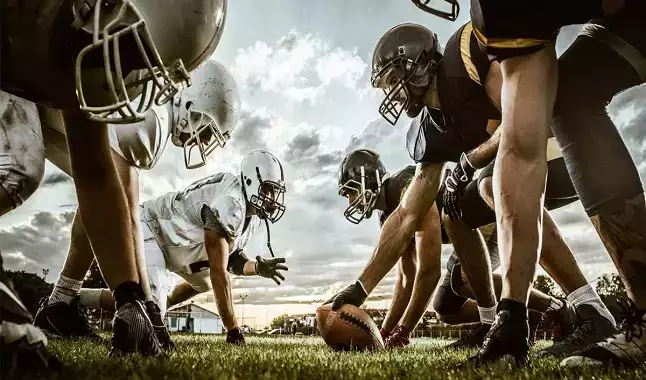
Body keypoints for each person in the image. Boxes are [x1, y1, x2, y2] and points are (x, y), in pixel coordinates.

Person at [327, 18, 630, 362]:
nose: (392, 93)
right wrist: (361, 287)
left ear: (422, 63)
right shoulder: (427, 131)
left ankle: (590, 309)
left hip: (560, 144)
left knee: (489, 181)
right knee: (454, 210)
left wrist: (468, 163)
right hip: (515, 166)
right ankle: (491, 322)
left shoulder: (463, 65)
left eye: (395, 79)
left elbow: (520, 120)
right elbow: (407, 213)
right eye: (386, 85)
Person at [1, 0, 227, 356]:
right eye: (133, 53)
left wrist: (133, 298)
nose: (133, 78)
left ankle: (60, 305)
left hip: (29, 63)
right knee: (17, 170)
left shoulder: (83, 42)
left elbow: (95, 175)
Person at [34, 60, 241, 350]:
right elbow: (124, 211)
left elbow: (111, 203)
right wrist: (139, 302)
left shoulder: (153, 106)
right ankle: (59, 305)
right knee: (19, 174)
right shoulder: (152, 118)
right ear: (191, 101)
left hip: (42, 102)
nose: (203, 141)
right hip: (22, 91)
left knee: (96, 199)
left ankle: (60, 305)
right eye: (206, 131)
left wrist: (147, 307)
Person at [80, 150, 288, 344]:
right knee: (152, 306)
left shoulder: (249, 216)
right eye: (267, 190)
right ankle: (78, 298)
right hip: (154, 230)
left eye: (275, 192)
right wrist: (233, 329)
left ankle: (163, 302)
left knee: (202, 285)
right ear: (250, 181)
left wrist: (258, 269)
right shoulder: (231, 202)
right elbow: (218, 272)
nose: (271, 198)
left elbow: (230, 260)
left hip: (178, 246)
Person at [337, 149, 441, 348]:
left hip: (480, 222)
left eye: (351, 191)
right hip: (461, 233)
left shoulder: (405, 186)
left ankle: (506, 312)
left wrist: (403, 332)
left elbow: (430, 270)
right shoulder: (386, 214)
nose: (350, 201)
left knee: (449, 294)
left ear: (370, 180)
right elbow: (406, 279)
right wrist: (383, 333)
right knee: (447, 304)